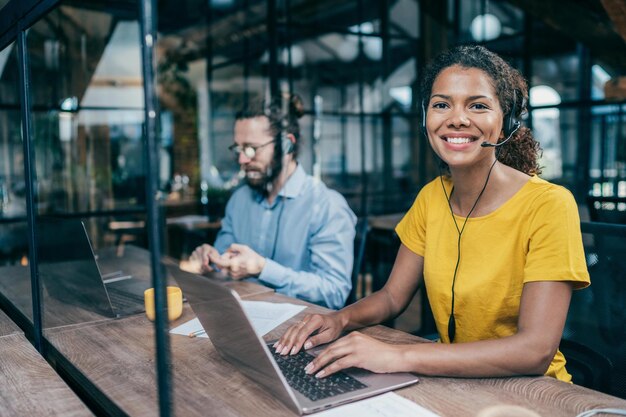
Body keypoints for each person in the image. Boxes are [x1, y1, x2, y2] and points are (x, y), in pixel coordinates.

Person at [275, 45, 590, 382]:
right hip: (450, 379)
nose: (456, 118)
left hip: (531, 393)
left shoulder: (549, 205)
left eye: (478, 105)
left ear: (506, 124)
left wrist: (397, 355)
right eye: (441, 104)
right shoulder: (431, 197)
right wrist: (340, 319)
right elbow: (393, 296)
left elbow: (534, 351)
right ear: (426, 119)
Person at [190, 94, 357, 310]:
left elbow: (333, 292)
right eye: (238, 149)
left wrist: (263, 268)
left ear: (287, 145)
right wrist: (211, 261)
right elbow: (223, 268)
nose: (242, 160)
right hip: (242, 319)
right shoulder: (239, 199)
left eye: (251, 149)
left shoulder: (326, 206)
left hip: (300, 331)